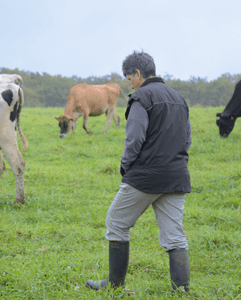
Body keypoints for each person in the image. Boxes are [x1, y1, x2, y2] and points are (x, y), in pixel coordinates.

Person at [86, 50, 192, 292]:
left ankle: (114, 286)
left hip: (145, 177)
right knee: (174, 235)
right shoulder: (178, 98)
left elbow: (134, 139)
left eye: (129, 77)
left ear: (138, 73)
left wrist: (126, 166)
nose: (129, 83)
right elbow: (187, 140)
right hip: (177, 176)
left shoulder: (141, 97)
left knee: (115, 221)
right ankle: (182, 289)